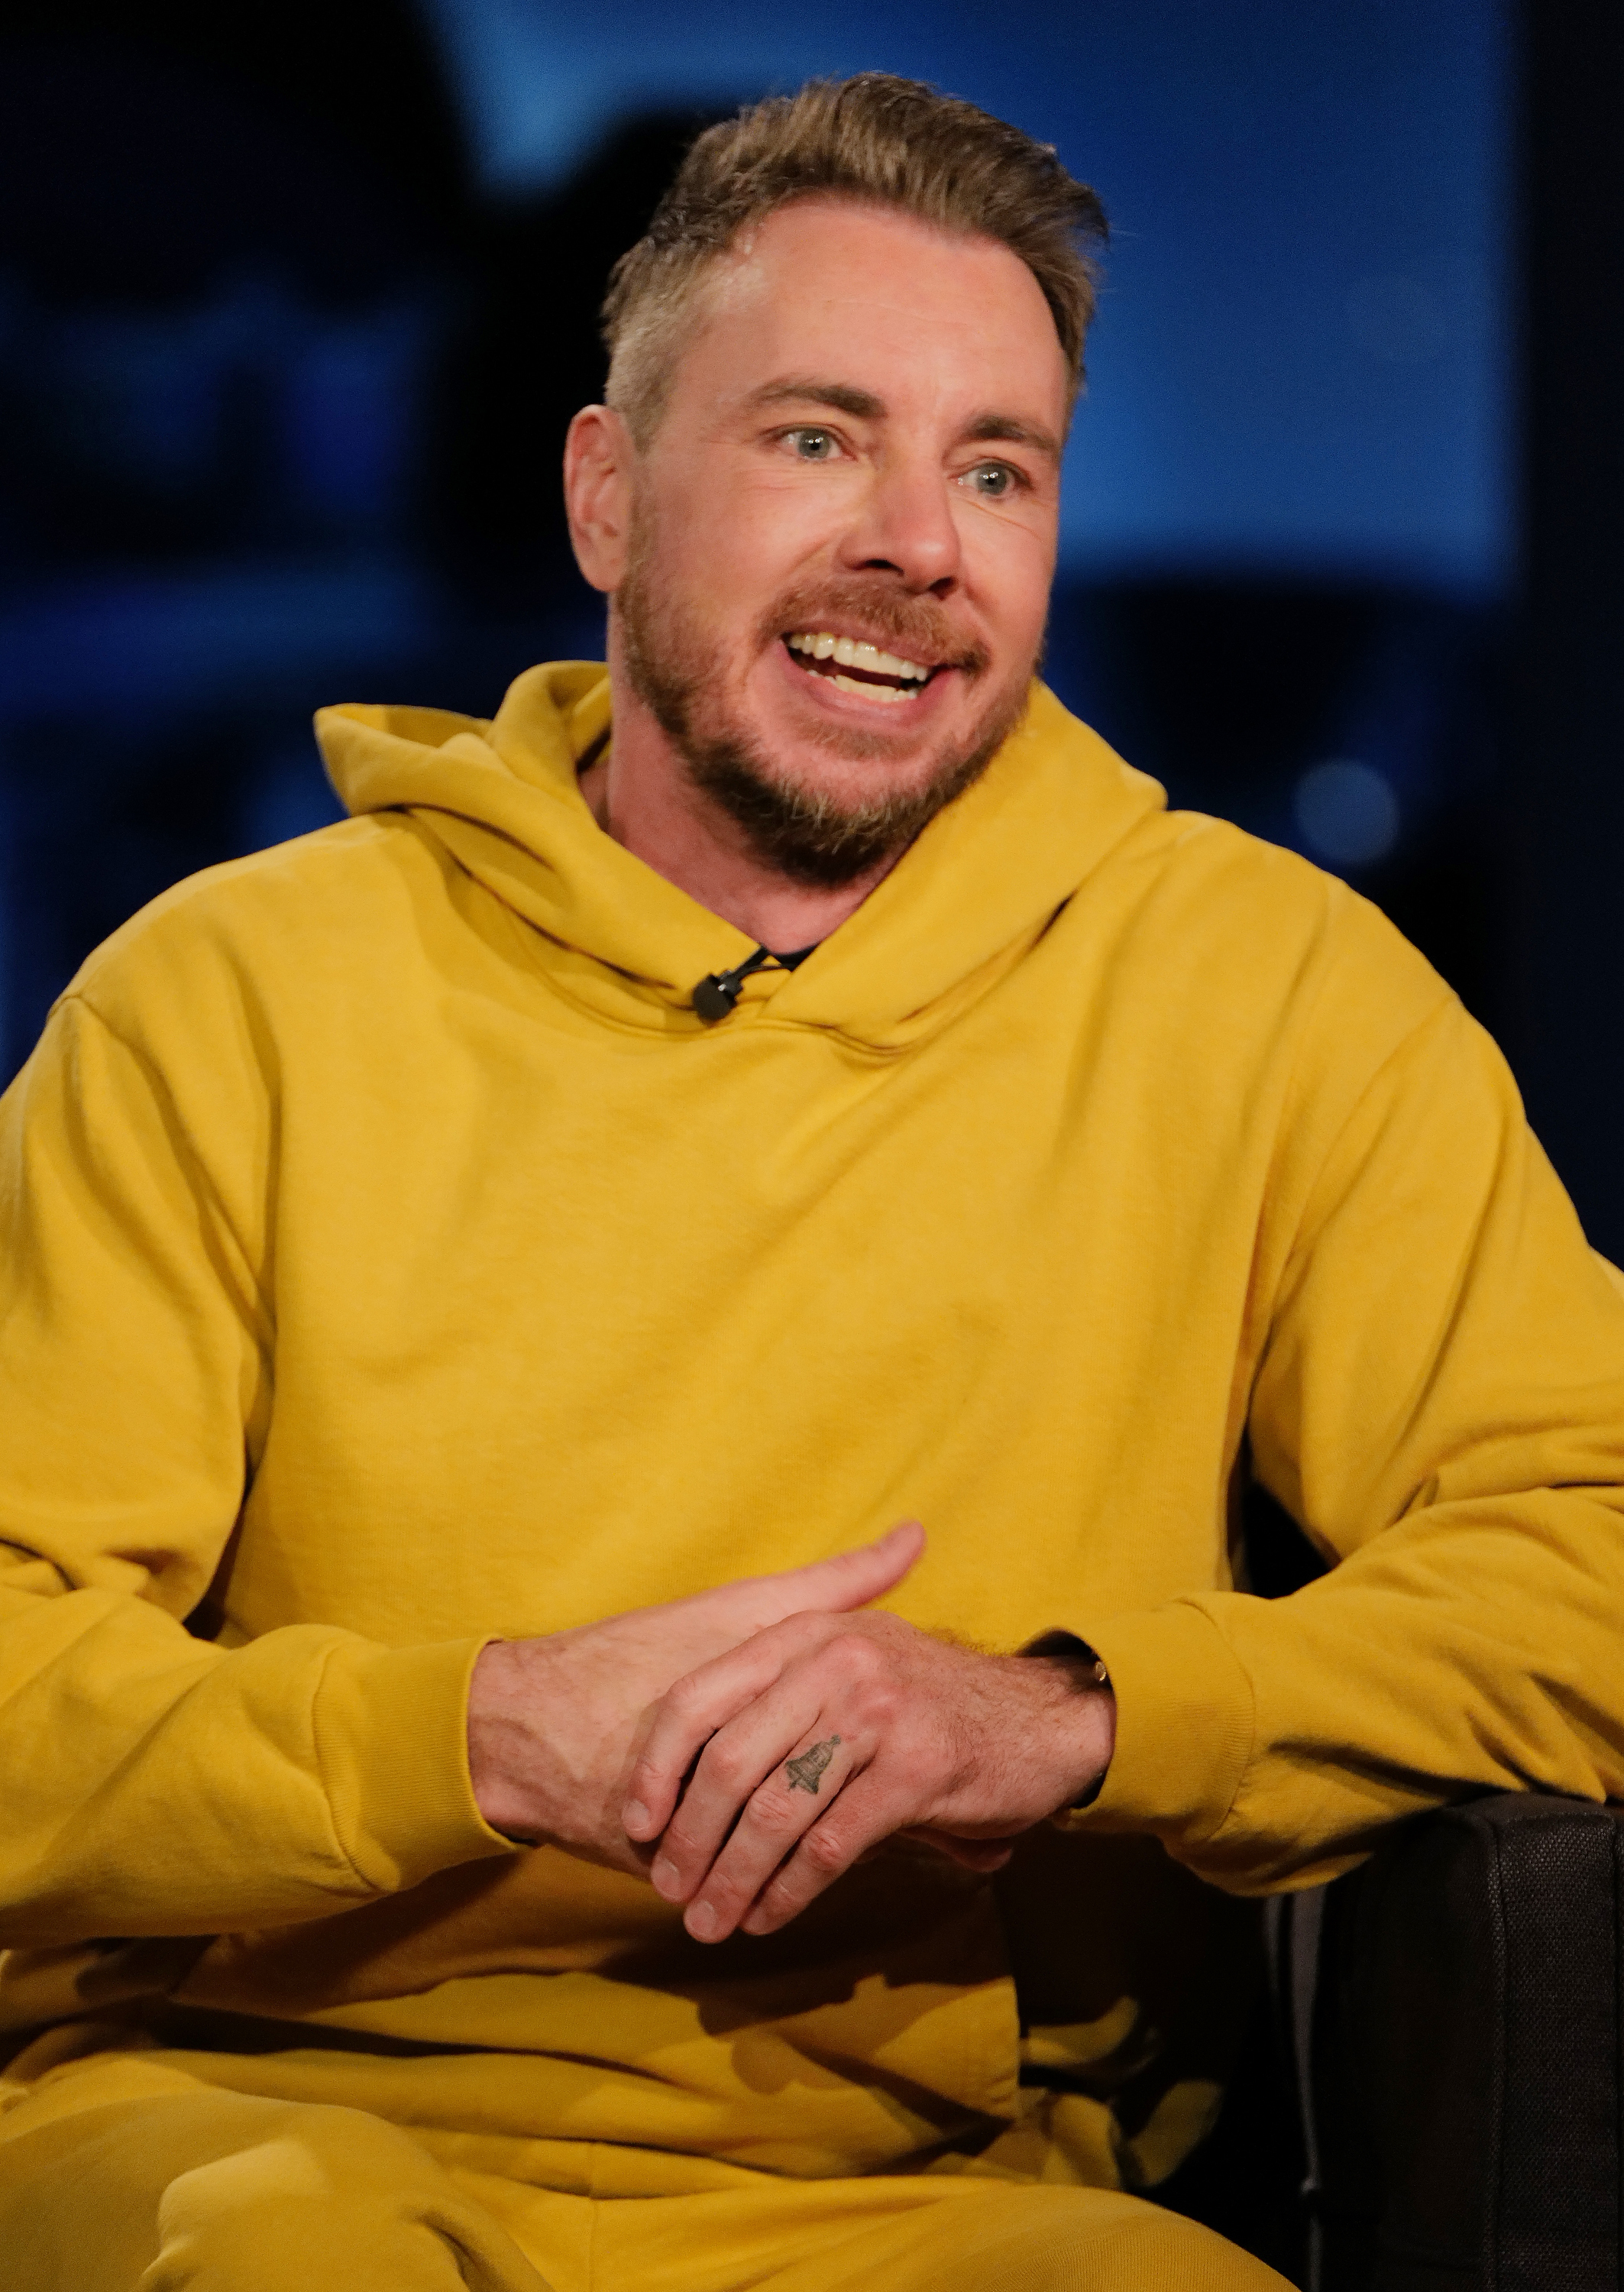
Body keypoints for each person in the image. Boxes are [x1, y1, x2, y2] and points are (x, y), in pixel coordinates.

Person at [1, 70, 1622, 2292]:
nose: (919, 544)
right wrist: (477, 1736)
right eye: (816, 439)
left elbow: (1591, 1533)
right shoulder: (225, 1001)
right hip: (249, 2119)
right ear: (605, 495)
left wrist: (1073, 1717)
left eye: (996, 468)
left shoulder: (1270, 996)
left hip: (942, 2199)